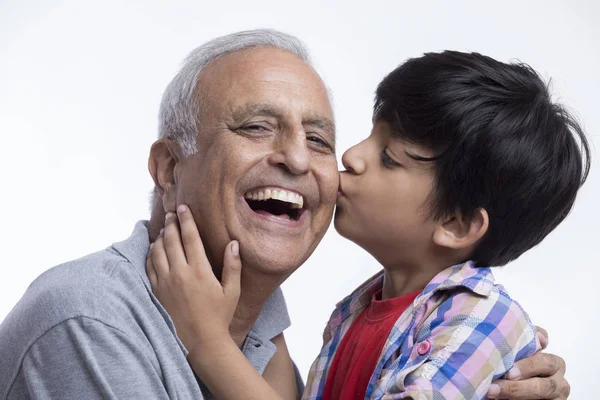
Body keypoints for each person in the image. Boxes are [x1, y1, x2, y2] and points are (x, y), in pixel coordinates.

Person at [0, 29, 569, 400]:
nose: (306, 158)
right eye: (255, 126)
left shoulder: (269, 334)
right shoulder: (90, 323)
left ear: (460, 224)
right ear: (169, 169)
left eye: (319, 138)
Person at [146, 49, 587, 399]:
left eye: (388, 158)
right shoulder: (358, 310)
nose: (351, 156)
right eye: (370, 136)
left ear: (456, 224)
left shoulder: (482, 320)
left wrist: (208, 344)